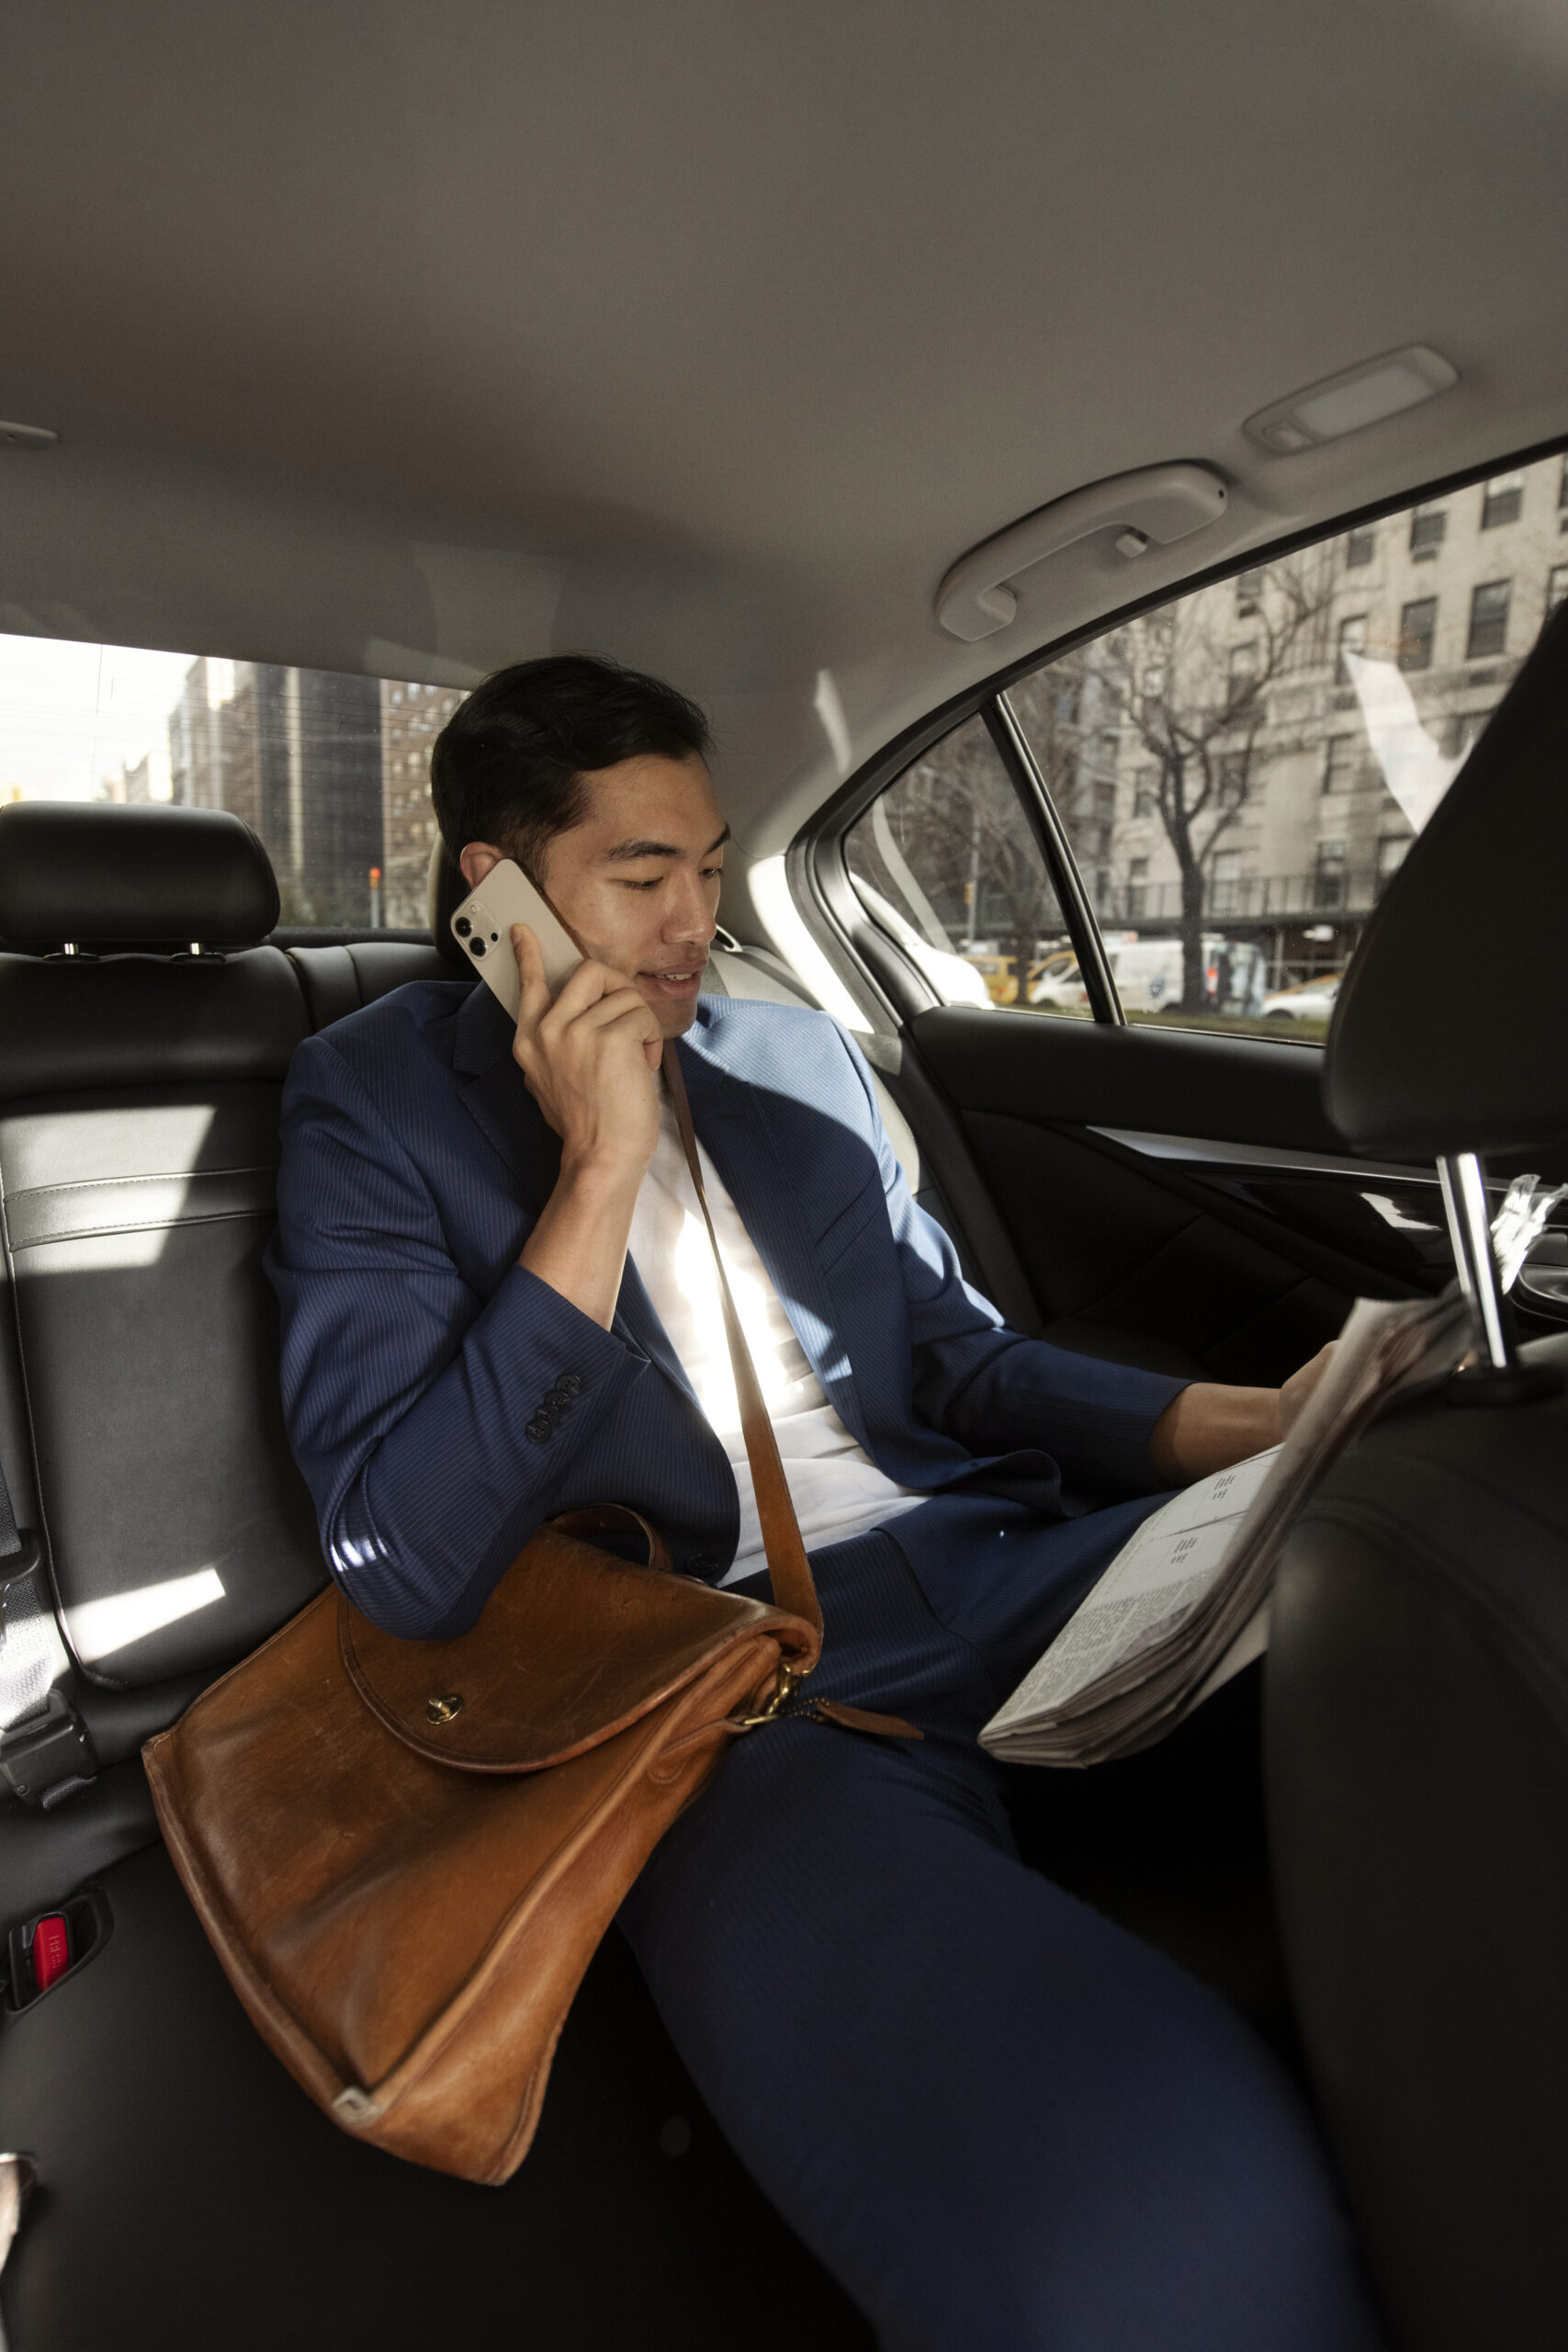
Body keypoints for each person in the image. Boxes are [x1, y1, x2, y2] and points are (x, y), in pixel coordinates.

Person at [265, 654, 1382, 2352]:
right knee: (1154, 2237)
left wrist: (1266, 1426)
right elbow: (405, 1559)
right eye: (641, 876)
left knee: (1428, 1553)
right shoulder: (374, 1101)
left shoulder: (793, 1051)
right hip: (722, 1692)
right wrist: (598, 1170)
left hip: (1011, 1564)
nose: (692, 919)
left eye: (708, 868)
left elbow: (966, 1363)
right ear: (497, 893)